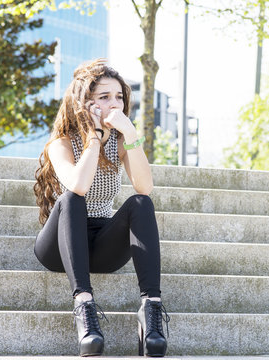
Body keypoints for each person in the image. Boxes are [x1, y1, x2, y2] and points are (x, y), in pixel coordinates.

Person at [33, 58, 169, 357]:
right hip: (60, 246)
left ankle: (152, 311)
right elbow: (78, 186)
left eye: (120, 96)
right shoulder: (62, 143)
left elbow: (145, 188)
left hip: (102, 245)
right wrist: (94, 137)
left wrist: (131, 136)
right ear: (85, 102)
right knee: (71, 198)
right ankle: (84, 307)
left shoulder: (121, 142)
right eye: (105, 97)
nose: (115, 104)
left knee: (140, 203)